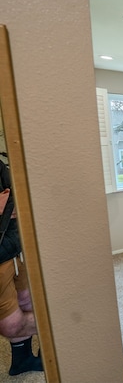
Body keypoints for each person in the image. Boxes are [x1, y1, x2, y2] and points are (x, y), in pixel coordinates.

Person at [0, 160, 42, 375]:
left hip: (10, 248)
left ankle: (22, 360)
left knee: (26, 301)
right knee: (11, 324)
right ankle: (66, 334)